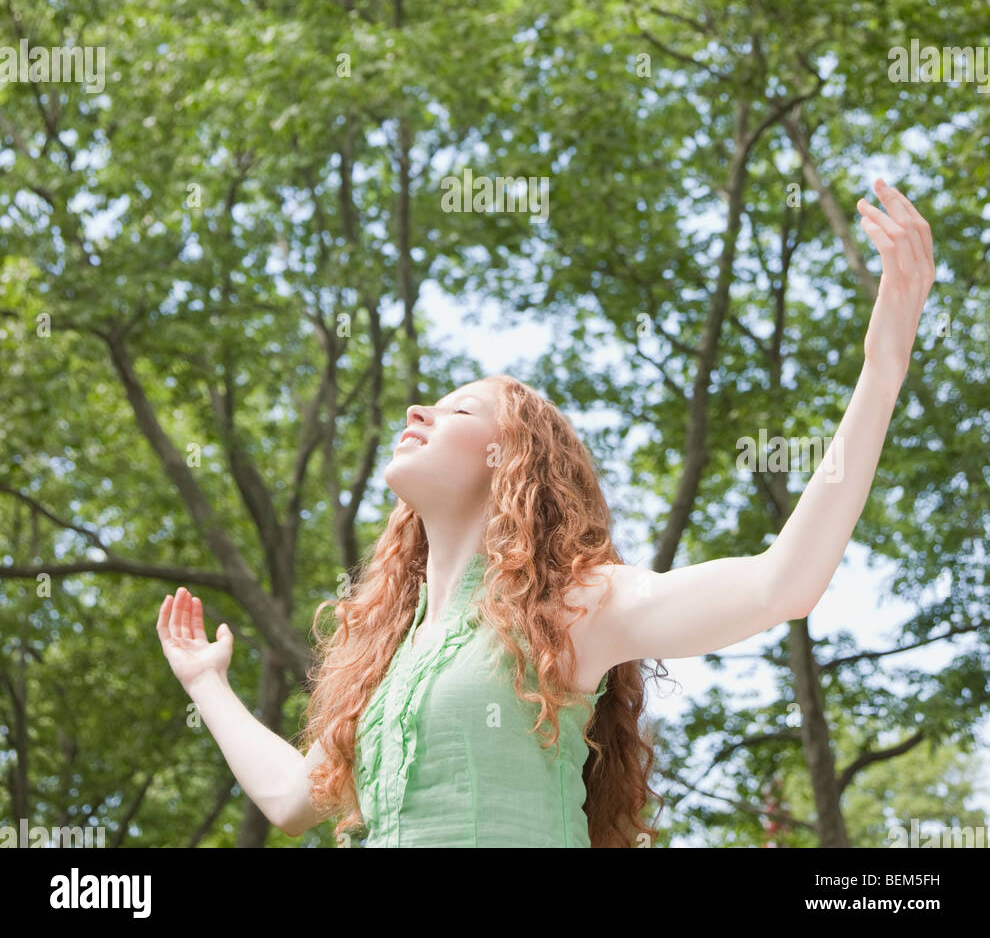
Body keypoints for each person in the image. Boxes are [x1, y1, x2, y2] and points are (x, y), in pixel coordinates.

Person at [156, 179, 934, 847]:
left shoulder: (571, 608)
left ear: (512, 468)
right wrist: (206, 683)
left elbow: (782, 585)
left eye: (460, 412)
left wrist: (883, 365)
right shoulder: (386, 659)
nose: (421, 410)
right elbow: (294, 798)